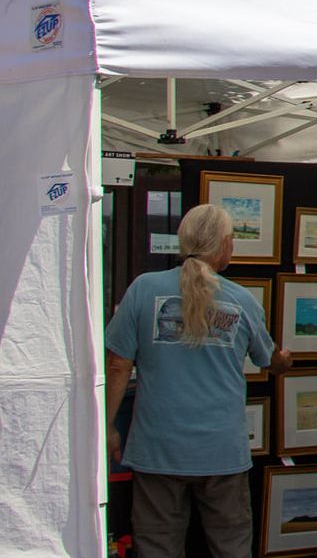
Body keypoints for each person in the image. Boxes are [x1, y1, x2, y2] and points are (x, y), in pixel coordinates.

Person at [104, 204, 292, 557]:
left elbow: (117, 365)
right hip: (222, 450)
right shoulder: (242, 300)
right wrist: (285, 360)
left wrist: (109, 425)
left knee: (157, 544)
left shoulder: (144, 289)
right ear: (225, 245)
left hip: (158, 447)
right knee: (231, 545)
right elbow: (271, 362)